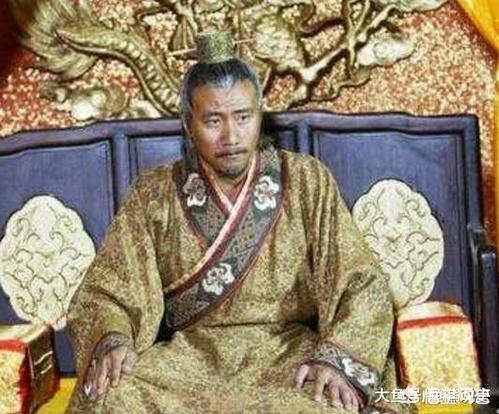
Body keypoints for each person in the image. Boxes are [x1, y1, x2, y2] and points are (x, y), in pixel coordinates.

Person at [67, 32, 414, 414]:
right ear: (188, 123)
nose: (231, 136)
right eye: (213, 120)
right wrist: (113, 339)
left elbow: (359, 281)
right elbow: (107, 291)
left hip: (291, 354)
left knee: (335, 400)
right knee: (110, 395)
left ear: (259, 116)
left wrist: (336, 360)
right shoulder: (154, 194)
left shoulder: (307, 180)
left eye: (243, 117)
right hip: (186, 363)